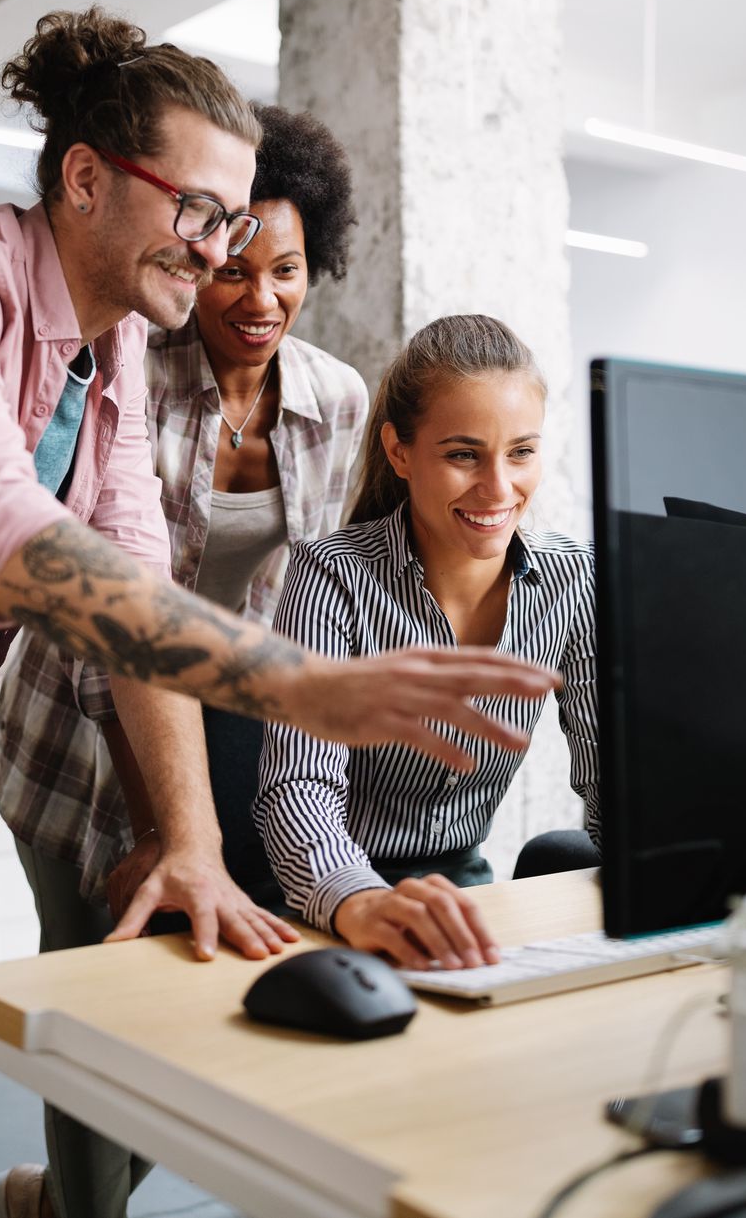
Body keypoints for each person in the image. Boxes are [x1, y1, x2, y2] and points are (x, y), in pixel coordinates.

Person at [0, 8, 554, 1218]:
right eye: (200, 212)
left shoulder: (107, 352)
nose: (220, 248)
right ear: (84, 180)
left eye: (236, 221)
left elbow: (133, 579)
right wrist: (293, 681)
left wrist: (190, 839)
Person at [0, 105, 369, 1218]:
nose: (260, 301)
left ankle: (54, 1204)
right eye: (234, 271)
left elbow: (300, 600)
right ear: (196, 256)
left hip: (227, 745)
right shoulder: (126, 373)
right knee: (96, 1008)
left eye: (289, 272)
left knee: (214, 1006)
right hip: (77, 731)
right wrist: (158, 822)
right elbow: (107, 617)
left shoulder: (335, 399)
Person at [254, 313, 600, 970]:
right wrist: (360, 902)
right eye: (464, 454)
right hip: (328, 905)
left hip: (463, 897)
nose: (500, 488)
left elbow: (618, 777)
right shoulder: (331, 574)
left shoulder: (573, 578)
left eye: (521, 451)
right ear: (400, 451)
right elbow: (298, 787)